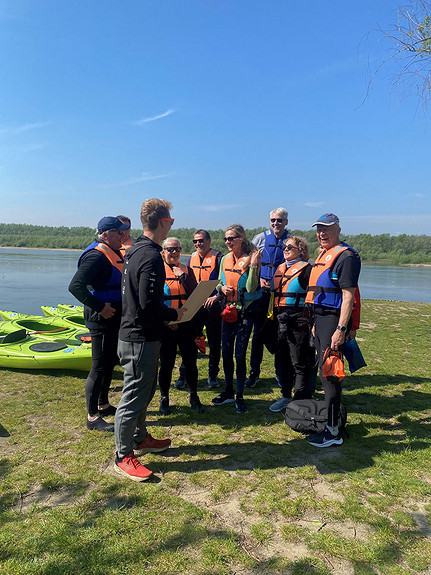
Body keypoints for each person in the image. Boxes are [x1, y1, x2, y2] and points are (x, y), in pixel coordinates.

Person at [114, 199, 186, 481]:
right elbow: (147, 302)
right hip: (138, 337)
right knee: (133, 396)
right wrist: (174, 313)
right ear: (162, 223)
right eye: (170, 220)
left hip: (137, 334)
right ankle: (123, 455)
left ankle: (141, 437)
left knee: (144, 390)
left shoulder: (134, 251)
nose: (172, 223)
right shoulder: (151, 256)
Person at [69, 216, 130, 432]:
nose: (123, 235)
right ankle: (92, 417)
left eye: (124, 231)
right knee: (99, 365)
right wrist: (100, 307)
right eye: (119, 232)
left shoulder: (113, 252)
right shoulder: (96, 257)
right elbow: (75, 286)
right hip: (101, 318)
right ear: (105, 235)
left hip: (113, 317)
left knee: (110, 360)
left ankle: (103, 403)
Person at [305, 213, 361, 447]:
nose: (322, 233)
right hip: (321, 318)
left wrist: (340, 329)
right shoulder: (323, 254)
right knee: (324, 372)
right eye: (319, 229)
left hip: (334, 320)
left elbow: (348, 297)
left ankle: (333, 432)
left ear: (338, 229)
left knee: (330, 374)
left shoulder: (346, 257)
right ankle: (334, 422)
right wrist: (317, 323)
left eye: (327, 228)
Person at [212, 224, 262, 413]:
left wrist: (254, 266)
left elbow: (250, 288)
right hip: (228, 311)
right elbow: (219, 282)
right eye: (226, 239)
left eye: (231, 238)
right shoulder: (224, 259)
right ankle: (228, 391)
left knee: (239, 355)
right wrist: (221, 289)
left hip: (244, 313)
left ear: (241, 238)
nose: (228, 242)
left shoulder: (251, 258)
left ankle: (239, 396)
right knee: (226, 353)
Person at [159, 237, 204, 414]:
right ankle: (164, 398)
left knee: (190, 362)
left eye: (177, 249)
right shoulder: (157, 271)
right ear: (163, 252)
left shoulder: (187, 271)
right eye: (170, 249)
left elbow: (196, 294)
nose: (174, 253)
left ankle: (194, 395)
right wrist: (166, 320)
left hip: (186, 323)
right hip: (166, 324)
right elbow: (155, 300)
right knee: (167, 363)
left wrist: (184, 277)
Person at [246, 208, 290, 388]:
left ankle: (281, 374)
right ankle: (254, 373)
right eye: (273, 220)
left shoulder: (290, 240)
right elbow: (251, 262)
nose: (275, 223)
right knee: (257, 335)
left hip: (281, 295)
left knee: (280, 336)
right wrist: (259, 279)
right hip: (261, 294)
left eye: (279, 220)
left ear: (286, 222)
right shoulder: (260, 238)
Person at [269, 236, 314, 412]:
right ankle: (286, 395)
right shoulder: (280, 269)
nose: (285, 249)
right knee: (281, 360)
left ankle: (300, 401)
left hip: (298, 319)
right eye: (284, 246)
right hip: (281, 319)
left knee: (299, 361)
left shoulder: (307, 270)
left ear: (301, 250)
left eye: (290, 246)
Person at [175, 229, 223, 390]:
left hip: (212, 305)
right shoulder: (191, 259)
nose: (198, 244)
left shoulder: (218, 257)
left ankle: (212, 375)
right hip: (195, 305)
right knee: (189, 339)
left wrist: (215, 296)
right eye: (195, 241)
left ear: (209, 241)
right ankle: (184, 374)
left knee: (214, 342)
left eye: (201, 240)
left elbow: (223, 279)